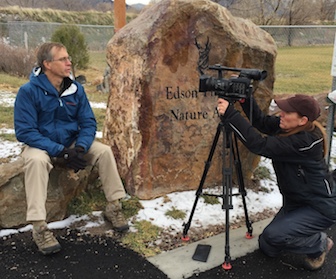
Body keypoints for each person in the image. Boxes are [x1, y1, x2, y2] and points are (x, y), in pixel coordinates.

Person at [14, 42, 129, 255]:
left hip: (72, 142)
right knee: (36, 161)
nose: (70, 63)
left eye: (69, 58)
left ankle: (114, 206)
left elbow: (88, 123)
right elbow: (25, 131)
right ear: (47, 64)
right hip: (41, 145)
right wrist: (60, 151)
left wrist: (81, 147)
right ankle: (39, 226)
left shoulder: (76, 90)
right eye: (63, 59)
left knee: (103, 152)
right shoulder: (28, 92)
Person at [217, 94, 336, 270]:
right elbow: (261, 122)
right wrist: (245, 98)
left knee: (275, 236)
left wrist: (230, 114)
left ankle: (320, 243)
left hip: (318, 206)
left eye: (287, 111)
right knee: (267, 246)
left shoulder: (305, 141)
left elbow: (260, 145)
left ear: (302, 120)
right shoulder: (289, 127)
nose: (281, 113)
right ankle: (301, 231)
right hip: (296, 201)